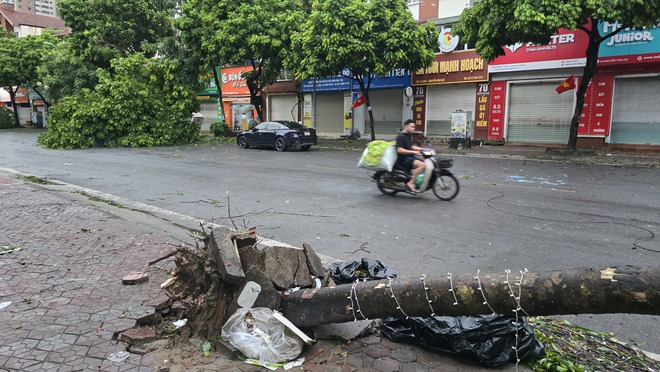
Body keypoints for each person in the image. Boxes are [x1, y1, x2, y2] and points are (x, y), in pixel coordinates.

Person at [396, 119, 426, 191]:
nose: (414, 128)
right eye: (412, 127)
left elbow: (411, 146)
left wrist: (422, 149)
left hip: (409, 157)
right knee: (422, 165)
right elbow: (399, 150)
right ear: (406, 127)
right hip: (403, 159)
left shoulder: (408, 135)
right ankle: (411, 182)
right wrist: (413, 152)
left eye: (414, 127)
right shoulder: (401, 136)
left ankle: (413, 178)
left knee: (424, 163)